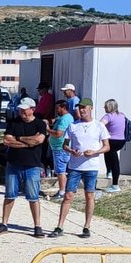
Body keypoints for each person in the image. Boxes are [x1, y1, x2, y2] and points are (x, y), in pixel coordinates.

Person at [49, 99, 107, 239]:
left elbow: (107, 146)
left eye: (84, 107)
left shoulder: (99, 126)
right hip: (75, 166)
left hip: (91, 167)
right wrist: (71, 150)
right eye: (79, 108)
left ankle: (86, 227)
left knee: (89, 195)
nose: (81, 110)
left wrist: (94, 152)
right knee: (68, 195)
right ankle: (60, 226)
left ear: (91, 108)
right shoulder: (73, 125)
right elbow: (65, 145)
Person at [0, 99, 47, 237]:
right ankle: (4, 224)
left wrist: (18, 138)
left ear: (32, 109)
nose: (21, 112)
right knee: (10, 195)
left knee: (33, 197)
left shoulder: (39, 124)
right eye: (20, 109)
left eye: (24, 109)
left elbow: (39, 140)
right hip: (13, 164)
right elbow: (6, 141)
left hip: (32, 165)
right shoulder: (13, 122)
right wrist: (28, 142)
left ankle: (37, 226)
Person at [46, 102, 74, 201]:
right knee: (61, 170)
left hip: (60, 148)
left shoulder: (65, 119)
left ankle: (62, 192)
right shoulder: (64, 118)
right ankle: (64, 190)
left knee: (60, 171)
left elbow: (58, 133)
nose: (56, 110)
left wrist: (48, 130)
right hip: (58, 147)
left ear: (64, 108)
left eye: (58, 108)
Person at [101, 99, 128, 193]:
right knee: (108, 154)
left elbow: (100, 126)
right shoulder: (122, 115)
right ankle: (109, 172)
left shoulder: (108, 116)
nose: (104, 108)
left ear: (109, 107)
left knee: (114, 162)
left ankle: (115, 185)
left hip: (112, 141)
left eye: (105, 106)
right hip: (121, 141)